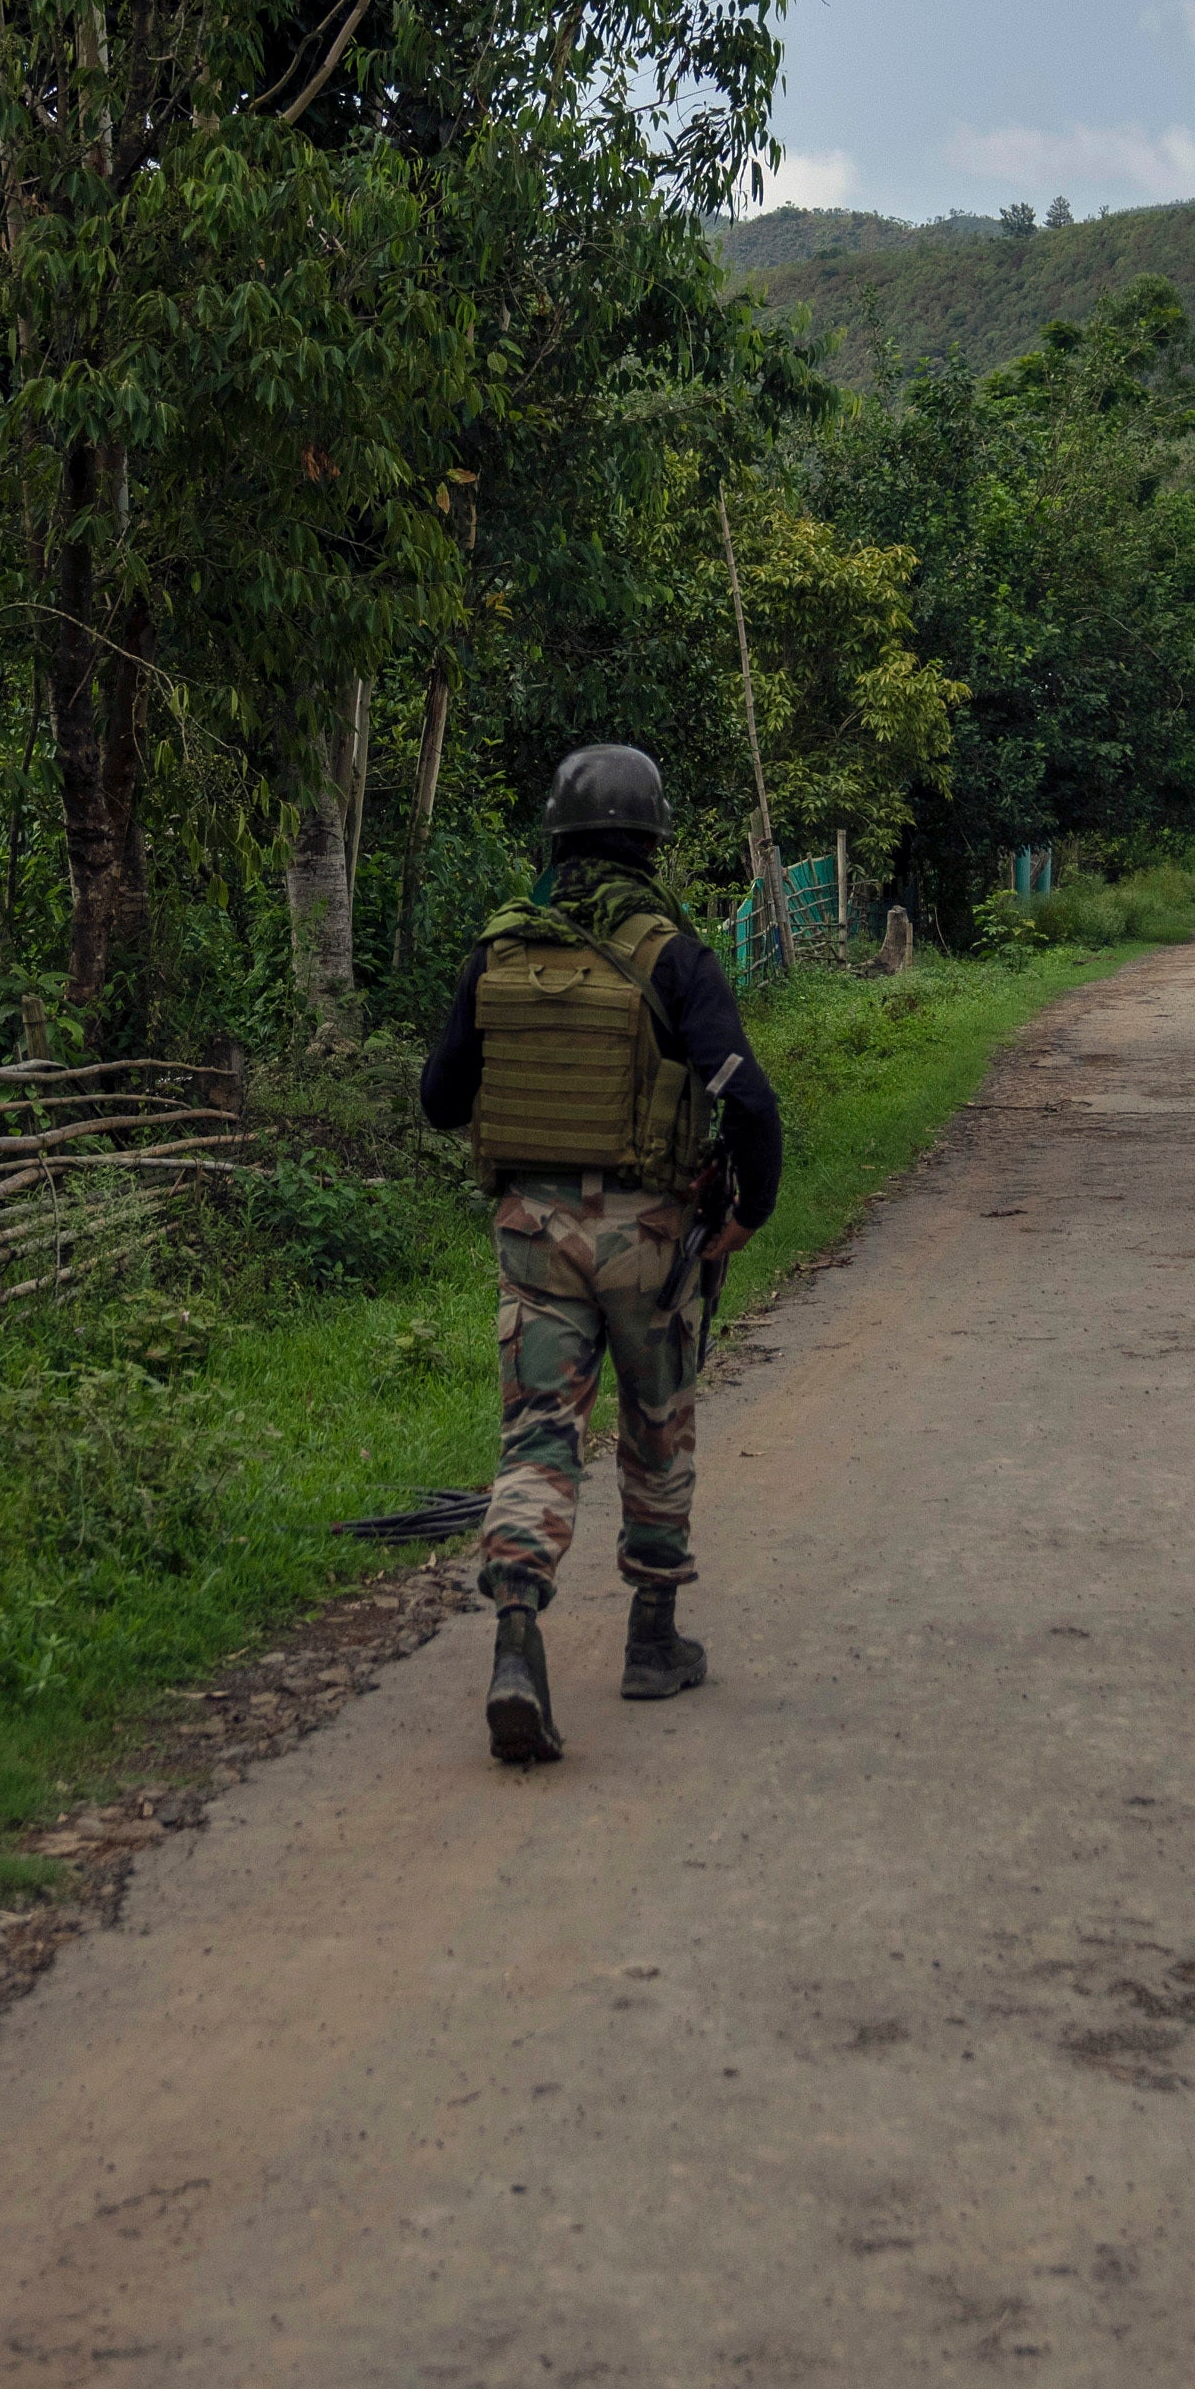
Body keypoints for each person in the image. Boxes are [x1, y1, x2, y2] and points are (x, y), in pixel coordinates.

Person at [413, 741, 787, 1763]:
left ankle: (518, 1637)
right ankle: (653, 1641)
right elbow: (746, 1095)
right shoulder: (674, 954)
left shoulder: (499, 950)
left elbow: (440, 1101)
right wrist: (750, 1208)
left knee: (540, 1436)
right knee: (656, 1428)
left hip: (534, 1238)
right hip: (650, 1236)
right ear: (651, 842)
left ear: (559, 837)